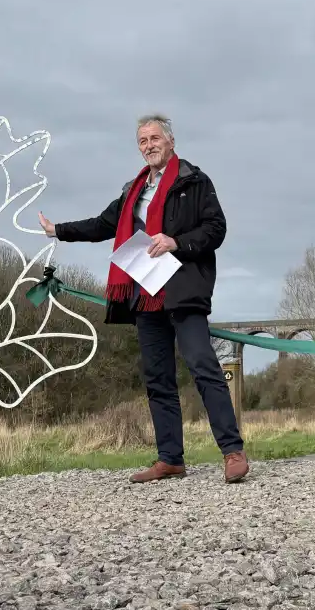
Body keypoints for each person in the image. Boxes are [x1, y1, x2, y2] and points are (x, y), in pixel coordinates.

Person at [38, 114, 249, 485]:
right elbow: (103, 225)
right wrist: (59, 231)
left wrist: (176, 243)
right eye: (142, 141)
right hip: (145, 293)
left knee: (203, 366)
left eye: (154, 138)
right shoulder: (132, 189)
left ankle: (233, 452)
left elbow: (216, 228)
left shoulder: (194, 181)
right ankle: (170, 459)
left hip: (183, 289)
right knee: (157, 377)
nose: (148, 145)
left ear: (170, 141)